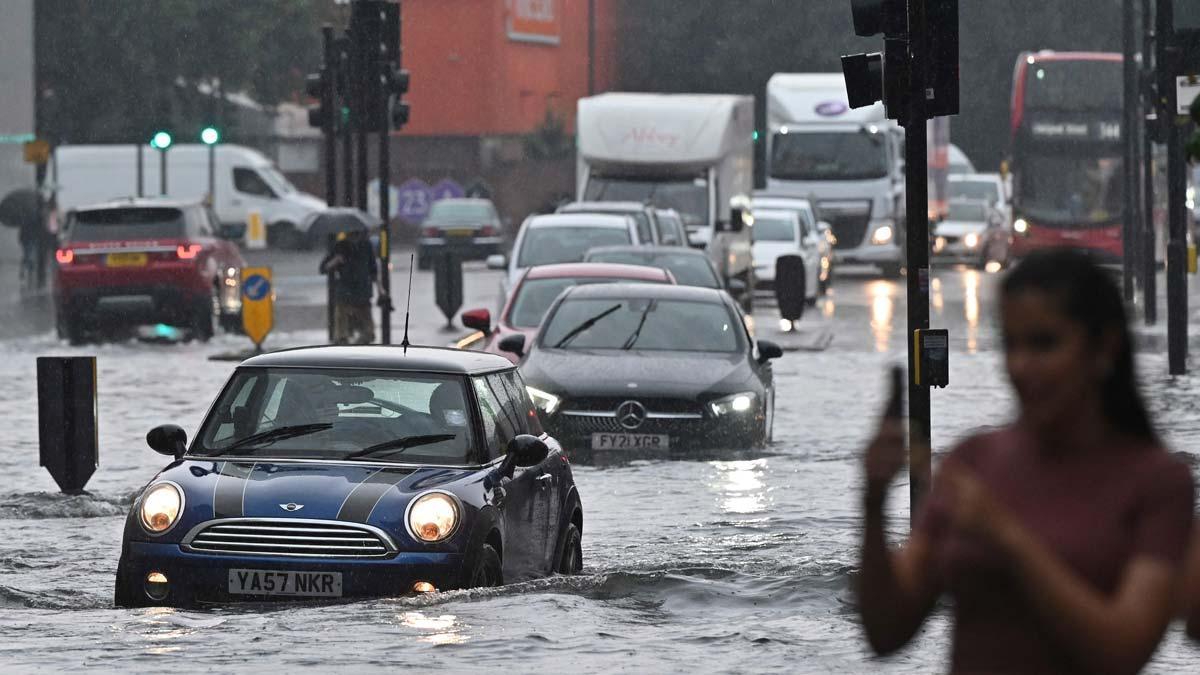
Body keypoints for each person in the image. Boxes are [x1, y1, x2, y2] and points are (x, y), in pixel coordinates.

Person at [858, 249, 1195, 673]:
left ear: (1103, 347)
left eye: (1044, 344)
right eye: (1010, 345)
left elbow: (1123, 650)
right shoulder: (972, 463)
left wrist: (1007, 538)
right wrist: (872, 501)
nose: (1021, 366)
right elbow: (885, 632)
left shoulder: (1157, 482)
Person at [319, 229, 379, 344]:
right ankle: (345, 343)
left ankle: (356, 346)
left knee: (368, 333)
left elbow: (373, 270)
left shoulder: (366, 246)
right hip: (346, 293)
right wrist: (335, 261)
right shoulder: (340, 246)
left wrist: (380, 289)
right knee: (342, 334)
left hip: (362, 292)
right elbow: (323, 268)